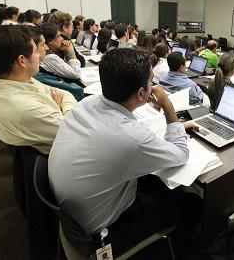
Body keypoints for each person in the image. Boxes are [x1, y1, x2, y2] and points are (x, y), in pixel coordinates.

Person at [48, 48, 201, 257]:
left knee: (155, 182)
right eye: (151, 82)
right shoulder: (130, 138)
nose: (153, 86)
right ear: (141, 93)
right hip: (105, 233)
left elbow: (127, 133)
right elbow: (181, 154)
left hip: (77, 215)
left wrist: (174, 130)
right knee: (192, 204)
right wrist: (167, 105)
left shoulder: (86, 104)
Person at [0, 25, 76, 154]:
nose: (41, 53)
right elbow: (75, 130)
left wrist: (61, 111)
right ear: (22, 60)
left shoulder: (12, 79)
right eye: (35, 51)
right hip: (67, 155)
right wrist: (58, 108)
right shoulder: (26, 108)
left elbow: (65, 94)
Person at [31, 27, 84, 101]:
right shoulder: (49, 57)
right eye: (59, 36)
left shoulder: (54, 51)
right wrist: (70, 50)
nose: (62, 39)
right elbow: (76, 74)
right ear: (50, 41)